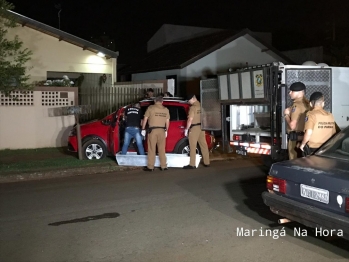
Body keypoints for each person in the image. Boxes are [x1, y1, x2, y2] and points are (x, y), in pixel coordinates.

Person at [141, 96, 170, 171]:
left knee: (151, 148)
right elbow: (167, 121)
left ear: (155, 101)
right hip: (162, 131)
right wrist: (166, 130)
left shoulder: (151, 108)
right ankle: (163, 166)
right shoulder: (165, 109)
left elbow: (145, 119)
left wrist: (143, 129)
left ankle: (150, 167)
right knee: (162, 149)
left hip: (153, 131)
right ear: (162, 102)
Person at [283, 82, 310, 160]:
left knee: (293, 161)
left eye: (292, 91)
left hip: (295, 139)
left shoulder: (296, 106)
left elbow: (292, 126)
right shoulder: (308, 104)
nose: (289, 93)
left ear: (299, 92)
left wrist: (286, 115)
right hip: (304, 138)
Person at [183, 94, 210, 169]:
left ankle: (192, 164)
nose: (189, 102)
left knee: (192, 146)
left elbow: (190, 120)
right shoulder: (202, 106)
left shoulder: (193, 108)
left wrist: (186, 129)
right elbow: (205, 118)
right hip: (201, 127)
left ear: (192, 99)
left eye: (189, 101)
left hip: (194, 128)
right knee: (203, 145)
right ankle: (207, 162)